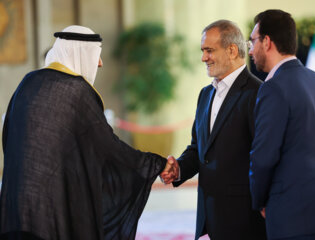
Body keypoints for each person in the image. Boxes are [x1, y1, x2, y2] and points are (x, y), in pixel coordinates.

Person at [0, 25, 176, 240]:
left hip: (18, 206)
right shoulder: (76, 91)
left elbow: (8, 137)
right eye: (96, 55)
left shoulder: (28, 83)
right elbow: (108, 148)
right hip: (55, 209)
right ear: (80, 53)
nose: (100, 63)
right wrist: (154, 164)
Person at [248, 9, 315, 240]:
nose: (250, 49)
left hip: (296, 213)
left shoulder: (273, 87)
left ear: (267, 42)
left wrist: (259, 200)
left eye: (252, 41)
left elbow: (264, 155)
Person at [162, 20, 266, 239]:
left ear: (232, 50)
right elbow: (199, 149)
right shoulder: (204, 95)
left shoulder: (258, 93)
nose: (203, 58)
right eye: (203, 51)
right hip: (211, 216)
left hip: (246, 219)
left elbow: (263, 157)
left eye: (209, 51)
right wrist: (178, 168)